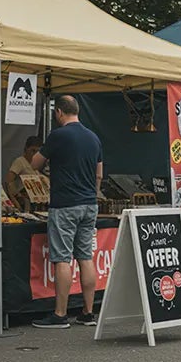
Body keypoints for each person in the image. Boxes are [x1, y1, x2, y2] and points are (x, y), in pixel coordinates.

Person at [30, 95, 103, 328]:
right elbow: (99, 174)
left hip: (65, 204)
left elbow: (35, 163)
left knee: (62, 258)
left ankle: (60, 314)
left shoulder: (58, 135)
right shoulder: (93, 137)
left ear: (59, 112)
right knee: (85, 257)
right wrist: (92, 194)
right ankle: (88, 312)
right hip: (89, 204)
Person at [5, 136, 43, 210]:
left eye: (37, 152)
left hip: (35, 200)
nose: (34, 154)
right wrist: (14, 200)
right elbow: (8, 182)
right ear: (26, 149)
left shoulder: (36, 163)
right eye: (32, 150)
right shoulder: (20, 162)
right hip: (23, 201)